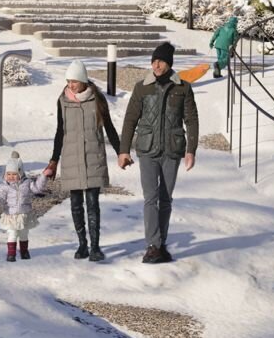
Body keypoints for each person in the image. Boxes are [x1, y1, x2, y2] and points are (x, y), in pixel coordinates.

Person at [118, 42, 199, 264]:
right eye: (153, 61)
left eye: (160, 61)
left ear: (169, 63)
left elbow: (191, 120)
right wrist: (123, 150)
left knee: (166, 199)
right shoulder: (142, 87)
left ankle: (161, 243)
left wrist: (191, 150)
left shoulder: (183, 87)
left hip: (172, 150)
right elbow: (130, 119)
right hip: (147, 149)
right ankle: (152, 245)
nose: (156, 64)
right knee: (150, 198)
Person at [45, 60, 127, 262]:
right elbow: (59, 132)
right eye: (68, 81)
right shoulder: (62, 101)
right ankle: (82, 244)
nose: (71, 85)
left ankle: (95, 247)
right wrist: (54, 160)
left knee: (92, 203)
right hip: (71, 158)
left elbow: (109, 128)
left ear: (83, 80)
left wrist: (120, 151)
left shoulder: (97, 100)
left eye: (74, 81)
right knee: (75, 204)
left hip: (93, 157)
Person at [0, 151, 49, 261]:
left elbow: (37, 188)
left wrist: (44, 176)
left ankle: (24, 252)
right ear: (5, 175)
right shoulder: (5, 187)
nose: (11, 177)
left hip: (24, 215)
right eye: (9, 174)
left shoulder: (27, 183)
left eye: (14, 174)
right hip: (11, 215)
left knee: (23, 234)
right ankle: (11, 254)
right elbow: (0, 196)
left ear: (20, 173)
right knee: (12, 233)